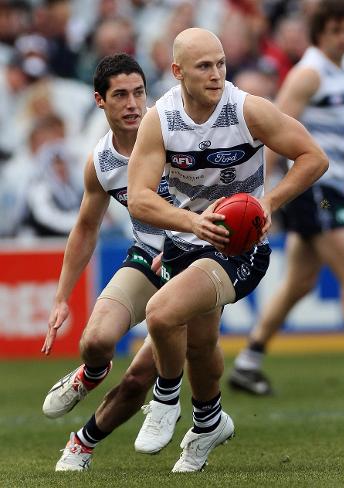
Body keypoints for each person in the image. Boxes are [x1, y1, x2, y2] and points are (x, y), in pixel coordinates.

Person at [127, 27, 328, 472]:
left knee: (160, 313)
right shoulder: (160, 119)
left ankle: (164, 400)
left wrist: (268, 202)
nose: (217, 74)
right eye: (204, 66)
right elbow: (139, 197)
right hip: (185, 241)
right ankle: (208, 423)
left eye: (220, 63)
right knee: (200, 346)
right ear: (178, 71)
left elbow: (314, 156)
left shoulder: (248, 110)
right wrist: (191, 221)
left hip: (240, 247)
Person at [41, 53, 174, 472]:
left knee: (139, 377)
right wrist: (62, 298)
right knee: (94, 341)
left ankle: (82, 443)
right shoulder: (101, 160)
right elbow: (85, 227)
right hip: (146, 256)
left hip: (196, 264)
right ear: (100, 101)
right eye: (120, 95)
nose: (133, 103)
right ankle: (90, 374)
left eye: (139, 92)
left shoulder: (176, 133)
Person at [229, 0, 344, 396]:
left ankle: (249, 362)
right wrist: (262, 193)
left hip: (331, 187)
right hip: (316, 191)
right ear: (320, 33)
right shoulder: (308, 74)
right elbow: (276, 133)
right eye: (335, 30)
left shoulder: (342, 73)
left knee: (300, 283)